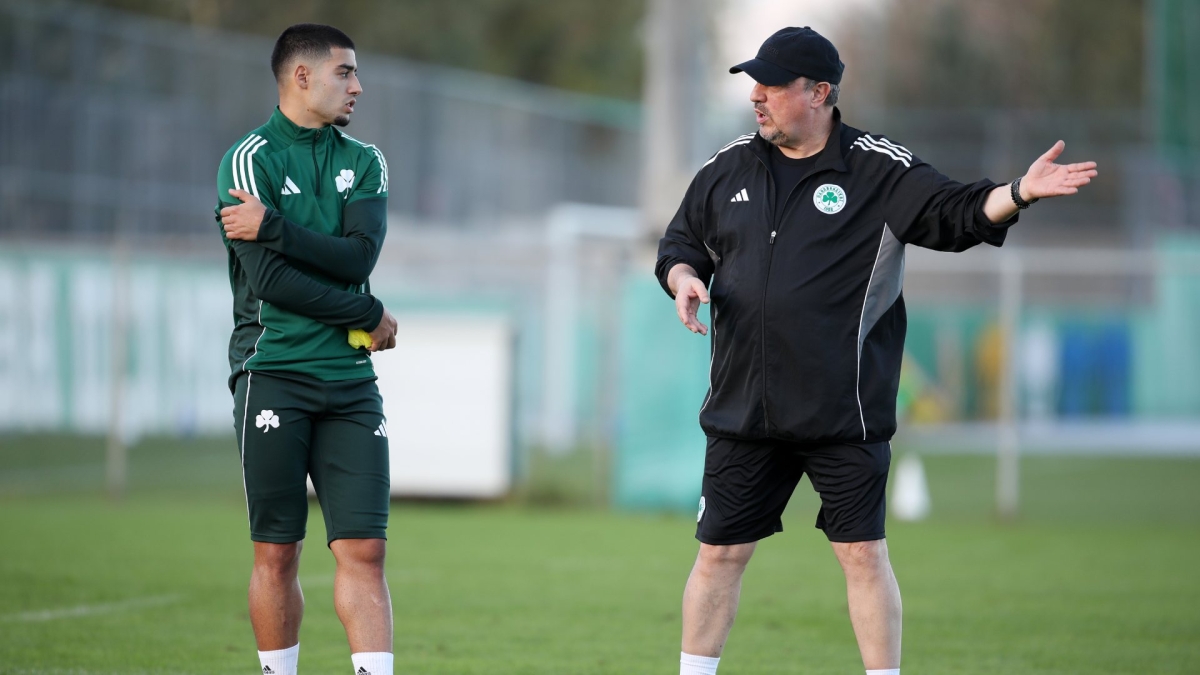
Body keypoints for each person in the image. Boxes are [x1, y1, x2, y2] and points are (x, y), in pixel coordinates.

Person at [656, 27, 1097, 675]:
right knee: (719, 554)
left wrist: (1019, 192)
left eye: (772, 84)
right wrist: (683, 277)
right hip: (745, 408)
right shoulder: (728, 167)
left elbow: (957, 213)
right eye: (754, 84)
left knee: (862, 554)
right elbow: (681, 242)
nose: (756, 96)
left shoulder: (877, 168)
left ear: (819, 93)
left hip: (843, 412)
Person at [215, 23, 399, 675]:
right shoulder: (249, 161)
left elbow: (358, 257)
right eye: (345, 72)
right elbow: (271, 283)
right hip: (273, 373)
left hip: (350, 379)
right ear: (302, 76)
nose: (357, 86)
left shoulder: (366, 160)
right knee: (277, 552)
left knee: (365, 550)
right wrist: (366, 310)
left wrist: (274, 225)